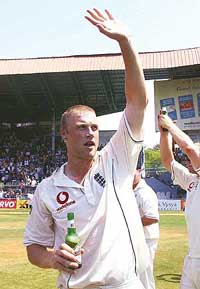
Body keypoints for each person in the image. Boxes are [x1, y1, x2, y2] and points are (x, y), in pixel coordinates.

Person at [24, 8, 150, 289]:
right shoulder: (47, 188)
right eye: (82, 127)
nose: (90, 133)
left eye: (94, 127)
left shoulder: (117, 160)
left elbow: (138, 102)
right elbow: (34, 247)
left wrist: (125, 42)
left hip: (124, 284)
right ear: (64, 134)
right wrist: (52, 258)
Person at [158, 111, 200, 289]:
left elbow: (189, 149)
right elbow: (168, 160)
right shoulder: (191, 181)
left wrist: (170, 125)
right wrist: (164, 134)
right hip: (192, 259)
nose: (190, 160)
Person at [133, 168, 159, 289]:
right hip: (136, 239)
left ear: (139, 171)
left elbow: (152, 217)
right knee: (135, 276)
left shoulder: (145, 192)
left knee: (145, 277)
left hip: (147, 240)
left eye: (132, 171)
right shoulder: (130, 190)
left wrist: (130, 223)